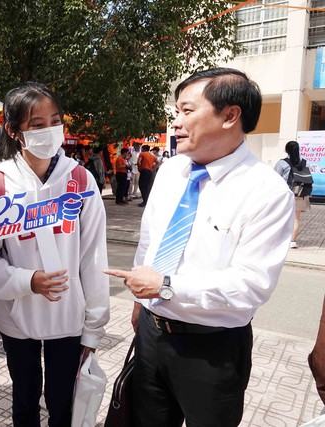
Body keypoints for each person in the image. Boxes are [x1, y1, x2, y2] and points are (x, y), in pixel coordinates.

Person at [105, 68, 294, 427]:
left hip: (213, 350)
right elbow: (150, 242)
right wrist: (140, 304)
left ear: (229, 115)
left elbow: (251, 286)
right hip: (151, 332)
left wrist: (165, 285)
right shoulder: (171, 170)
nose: (175, 123)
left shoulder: (266, 192)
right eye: (176, 111)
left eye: (187, 111)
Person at [0, 82, 109, 427]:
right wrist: (27, 281)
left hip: (67, 318)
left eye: (55, 120)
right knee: (24, 397)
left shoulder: (80, 181)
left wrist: (94, 328)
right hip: (15, 317)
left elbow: (93, 257)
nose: (50, 131)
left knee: (62, 402)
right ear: (13, 130)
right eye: (37, 125)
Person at [274, 140, 311, 248]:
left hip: (286, 194)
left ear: (286, 150)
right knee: (296, 219)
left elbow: (275, 179)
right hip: (300, 193)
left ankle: (280, 240)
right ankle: (292, 241)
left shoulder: (282, 163)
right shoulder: (305, 162)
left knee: (281, 218)